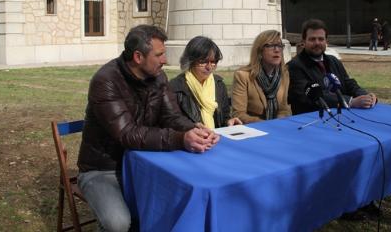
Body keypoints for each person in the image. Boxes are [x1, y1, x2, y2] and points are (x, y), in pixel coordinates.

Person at [77, 25, 219, 232]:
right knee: (118, 224)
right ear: (138, 57)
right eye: (159, 54)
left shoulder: (158, 77)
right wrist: (181, 139)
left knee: (176, 205)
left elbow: (171, 116)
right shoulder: (106, 81)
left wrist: (194, 129)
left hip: (147, 163)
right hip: (104, 168)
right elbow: (127, 134)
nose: (165, 60)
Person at [287, 19, 377, 115]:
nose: (317, 43)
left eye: (321, 39)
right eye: (312, 39)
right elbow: (311, 96)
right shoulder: (294, 66)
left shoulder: (333, 61)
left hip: (343, 117)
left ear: (326, 41)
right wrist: (350, 101)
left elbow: (348, 83)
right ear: (304, 41)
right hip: (312, 120)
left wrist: (365, 95)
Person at [170, 36, 242, 128]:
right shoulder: (176, 87)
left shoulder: (218, 84)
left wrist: (229, 122)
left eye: (213, 62)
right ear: (190, 61)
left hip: (216, 138)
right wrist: (191, 128)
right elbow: (172, 123)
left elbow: (224, 118)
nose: (209, 67)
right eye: (203, 62)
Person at [232, 30, 291, 123]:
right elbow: (238, 114)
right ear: (259, 51)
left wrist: (279, 122)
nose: (277, 50)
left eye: (280, 45)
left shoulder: (284, 74)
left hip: (277, 127)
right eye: (271, 45)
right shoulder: (243, 75)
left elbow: (284, 109)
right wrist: (266, 124)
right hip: (254, 129)